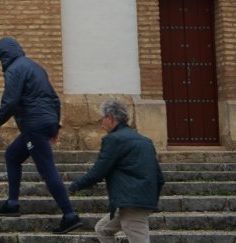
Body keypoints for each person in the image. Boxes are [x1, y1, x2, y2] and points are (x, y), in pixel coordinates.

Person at [0, 36, 83, 235]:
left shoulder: (14, 70)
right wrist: (54, 126)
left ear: (3, 55)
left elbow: (10, 102)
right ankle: (12, 203)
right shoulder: (35, 67)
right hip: (45, 122)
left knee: (47, 170)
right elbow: (54, 99)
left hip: (34, 124)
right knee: (12, 155)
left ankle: (70, 215)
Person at [69, 100, 165, 243]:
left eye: (102, 119)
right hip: (138, 200)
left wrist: (74, 186)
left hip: (132, 202)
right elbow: (159, 177)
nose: (101, 123)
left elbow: (98, 171)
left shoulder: (114, 139)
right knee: (103, 229)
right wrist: (150, 199)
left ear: (111, 118)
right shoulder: (145, 140)